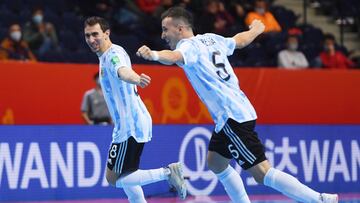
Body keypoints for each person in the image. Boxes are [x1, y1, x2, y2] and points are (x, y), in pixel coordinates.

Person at [137, 7, 338, 203]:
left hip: (231, 117)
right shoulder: (211, 39)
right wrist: (256, 30)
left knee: (262, 173)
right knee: (215, 162)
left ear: (180, 29)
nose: (163, 35)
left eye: (165, 29)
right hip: (236, 111)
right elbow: (238, 41)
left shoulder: (187, 46)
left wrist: (153, 55)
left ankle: (319, 199)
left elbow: (174, 57)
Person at [84, 16, 186, 202]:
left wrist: (136, 79)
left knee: (113, 178)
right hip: (132, 123)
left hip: (129, 127)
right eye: (88, 35)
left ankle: (168, 173)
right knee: (128, 176)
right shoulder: (107, 55)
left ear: (106, 34)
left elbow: (122, 71)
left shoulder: (112, 55)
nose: (91, 40)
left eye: (95, 34)